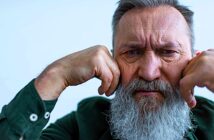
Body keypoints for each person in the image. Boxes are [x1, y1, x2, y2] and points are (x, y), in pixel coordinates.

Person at [1, 0, 214, 139]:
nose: (149, 73)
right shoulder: (82, 127)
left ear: (193, 61)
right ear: (111, 62)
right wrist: (55, 76)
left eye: (168, 52)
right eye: (132, 52)